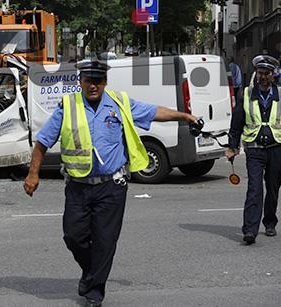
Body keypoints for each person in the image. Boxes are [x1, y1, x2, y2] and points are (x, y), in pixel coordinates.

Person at [23, 59, 199, 307]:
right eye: (88, 81)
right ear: (80, 82)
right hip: (78, 186)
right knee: (73, 237)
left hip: (111, 187)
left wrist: (184, 116)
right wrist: (33, 174)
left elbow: (153, 112)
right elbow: (42, 142)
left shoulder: (119, 103)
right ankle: (91, 273)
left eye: (98, 81)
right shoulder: (68, 106)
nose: (93, 85)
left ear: (105, 82)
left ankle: (95, 290)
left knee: (105, 241)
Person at [225, 55, 281, 245]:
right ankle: (250, 230)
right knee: (254, 189)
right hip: (254, 150)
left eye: (267, 73)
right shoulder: (246, 93)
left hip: (276, 149)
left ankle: (269, 222)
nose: (263, 77)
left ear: (273, 74)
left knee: (273, 188)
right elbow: (236, 123)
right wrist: (232, 146)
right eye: (260, 73)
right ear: (256, 73)